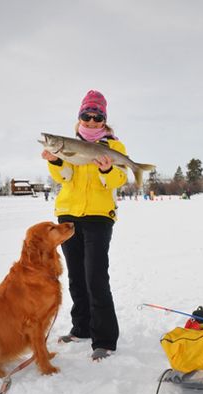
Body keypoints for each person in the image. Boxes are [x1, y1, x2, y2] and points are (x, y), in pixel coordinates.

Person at [41, 90, 127, 362]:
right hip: (68, 215)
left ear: (104, 119)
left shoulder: (115, 147)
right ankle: (81, 328)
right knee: (76, 275)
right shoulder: (67, 144)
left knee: (96, 276)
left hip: (99, 216)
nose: (91, 121)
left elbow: (118, 181)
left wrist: (106, 170)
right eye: (86, 116)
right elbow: (65, 176)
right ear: (79, 117)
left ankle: (104, 339)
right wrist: (55, 161)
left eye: (97, 117)